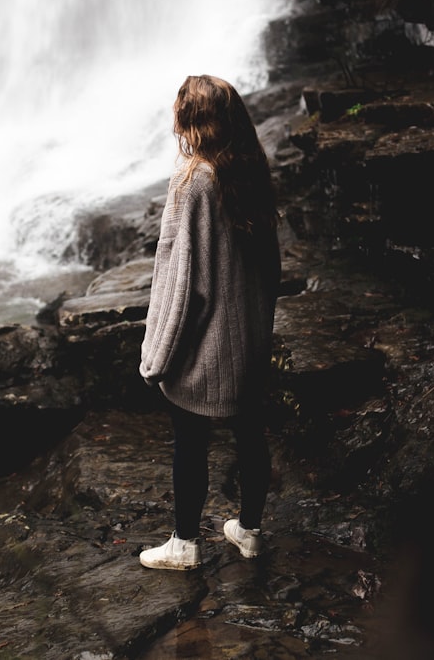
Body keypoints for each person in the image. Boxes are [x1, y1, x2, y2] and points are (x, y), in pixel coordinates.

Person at [138, 74, 281, 571]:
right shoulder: (253, 172)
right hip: (248, 338)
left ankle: (184, 543)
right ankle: (250, 530)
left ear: (188, 121)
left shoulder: (193, 182)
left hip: (204, 345)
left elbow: (184, 286)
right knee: (250, 436)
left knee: (190, 444)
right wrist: (261, 327)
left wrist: (157, 358)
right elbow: (271, 266)